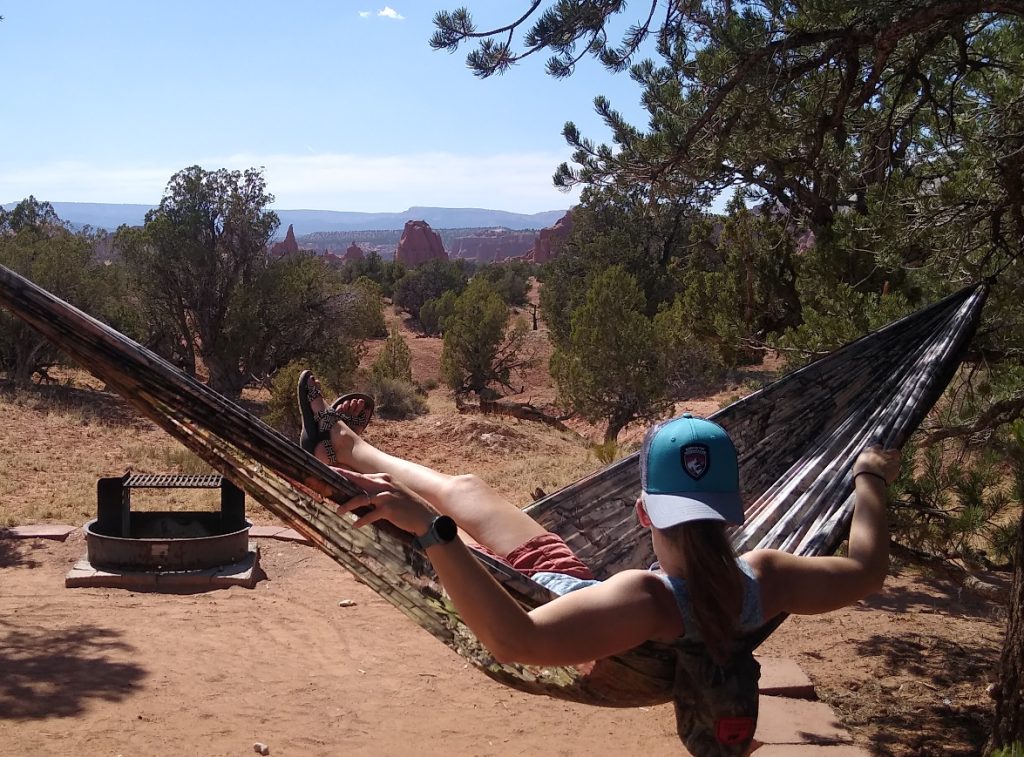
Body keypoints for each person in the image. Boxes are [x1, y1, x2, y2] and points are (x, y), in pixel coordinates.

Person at [298, 372, 899, 751]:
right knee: (470, 487)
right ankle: (342, 443)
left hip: (527, 595)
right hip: (574, 590)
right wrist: (870, 478)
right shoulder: (768, 577)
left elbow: (514, 640)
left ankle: (334, 461)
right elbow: (868, 570)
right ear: (735, 511)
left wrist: (434, 535)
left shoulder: (643, 599)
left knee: (436, 506)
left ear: (642, 513)